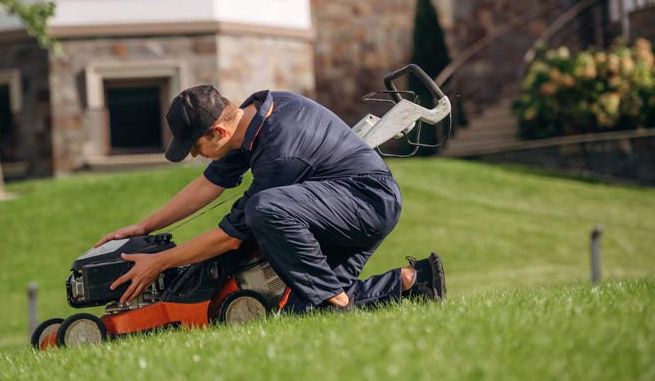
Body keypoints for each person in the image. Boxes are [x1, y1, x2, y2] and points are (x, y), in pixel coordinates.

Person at [96, 85, 445, 313]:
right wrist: (145, 226)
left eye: (196, 147)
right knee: (297, 311)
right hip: (340, 202)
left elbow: (231, 237)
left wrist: (160, 263)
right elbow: (209, 184)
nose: (195, 155)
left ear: (217, 131)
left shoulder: (281, 151)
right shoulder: (253, 117)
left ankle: (336, 302)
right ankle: (414, 280)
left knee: (262, 209)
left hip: (366, 202)